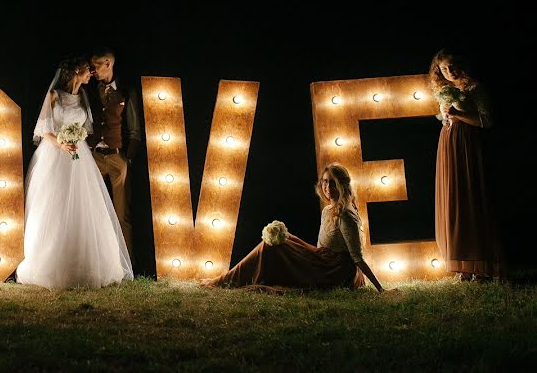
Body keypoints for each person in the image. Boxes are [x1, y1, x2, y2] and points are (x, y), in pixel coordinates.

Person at [16, 56, 134, 289]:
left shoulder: (83, 98)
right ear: (74, 72)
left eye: (92, 70)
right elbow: (42, 129)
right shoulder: (54, 96)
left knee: (84, 206)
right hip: (55, 154)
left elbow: (87, 128)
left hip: (79, 157)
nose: (91, 73)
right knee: (56, 206)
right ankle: (53, 263)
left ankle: (86, 261)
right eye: (86, 70)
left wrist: (76, 140)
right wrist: (61, 143)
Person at [200, 163, 386, 292]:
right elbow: (321, 247)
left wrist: (381, 289)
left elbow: (357, 258)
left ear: (342, 185)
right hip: (323, 259)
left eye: (332, 182)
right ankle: (227, 279)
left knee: (271, 247)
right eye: (324, 181)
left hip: (336, 271)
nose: (327, 186)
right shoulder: (328, 209)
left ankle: (223, 281)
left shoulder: (345, 215)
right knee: (277, 241)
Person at [430, 48, 504, 281]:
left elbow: (487, 120)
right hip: (449, 144)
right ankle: (463, 264)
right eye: (443, 68)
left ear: (461, 65)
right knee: (454, 199)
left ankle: (480, 264)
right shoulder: (445, 91)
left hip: (468, 145)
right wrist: (446, 116)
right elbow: (446, 118)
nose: (449, 72)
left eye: (452, 66)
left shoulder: (476, 89)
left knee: (470, 199)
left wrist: (457, 114)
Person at [86, 46, 143, 259]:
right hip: (94, 158)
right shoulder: (90, 90)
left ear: (108, 63)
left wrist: (127, 157)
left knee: (122, 215)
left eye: (96, 65)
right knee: (94, 211)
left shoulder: (127, 91)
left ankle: (127, 263)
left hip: (118, 158)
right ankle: (98, 260)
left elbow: (135, 129)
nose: (92, 70)